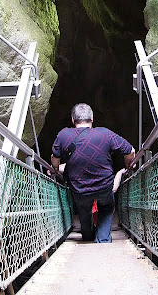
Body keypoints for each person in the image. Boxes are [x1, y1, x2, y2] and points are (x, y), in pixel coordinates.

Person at [51, 103, 135, 243]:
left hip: (79, 190)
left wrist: (55, 169)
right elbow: (130, 150)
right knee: (106, 208)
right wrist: (128, 167)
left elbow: (55, 159)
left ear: (73, 119)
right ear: (92, 118)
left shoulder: (63, 135)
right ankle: (102, 240)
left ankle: (88, 236)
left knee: (84, 210)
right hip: (104, 187)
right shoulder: (105, 134)